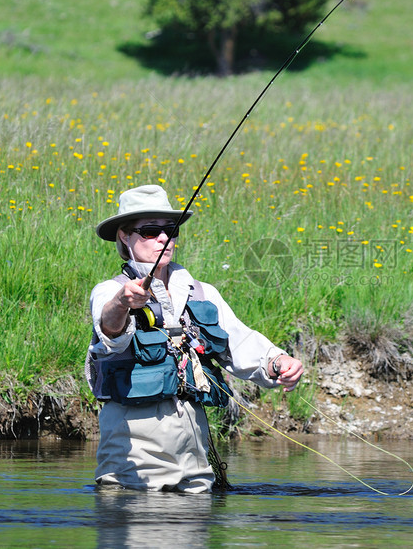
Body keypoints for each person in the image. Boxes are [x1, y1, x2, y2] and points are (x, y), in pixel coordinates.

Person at [86, 184, 303, 492]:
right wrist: (123, 302)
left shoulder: (201, 293)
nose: (164, 238)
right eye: (150, 230)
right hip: (132, 467)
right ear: (124, 235)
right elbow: (109, 331)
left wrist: (277, 361)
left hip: (196, 466)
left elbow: (238, 343)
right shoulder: (109, 291)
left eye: (171, 230)